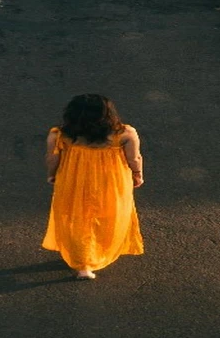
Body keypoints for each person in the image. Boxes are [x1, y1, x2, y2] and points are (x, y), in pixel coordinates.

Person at [42, 93, 144, 279]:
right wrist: (138, 175)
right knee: (108, 214)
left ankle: (83, 263)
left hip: (74, 179)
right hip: (111, 181)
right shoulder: (125, 134)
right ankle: (96, 252)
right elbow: (134, 158)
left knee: (76, 217)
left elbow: (52, 157)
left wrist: (51, 174)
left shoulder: (60, 135)